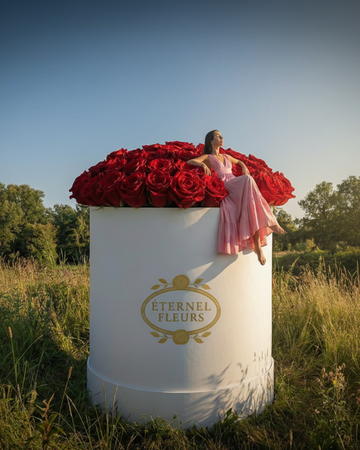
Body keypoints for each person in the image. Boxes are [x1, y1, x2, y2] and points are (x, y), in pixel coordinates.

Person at [187, 130, 284, 265]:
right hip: (227, 185)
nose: (222, 138)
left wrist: (244, 166)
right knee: (248, 180)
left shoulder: (226, 156)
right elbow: (190, 161)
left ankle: (258, 247)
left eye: (221, 136)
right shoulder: (208, 157)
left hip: (236, 183)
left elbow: (238, 161)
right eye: (218, 136)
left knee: (252, 206)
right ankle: (271, 221)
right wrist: (203, 164)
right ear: (211, 140)